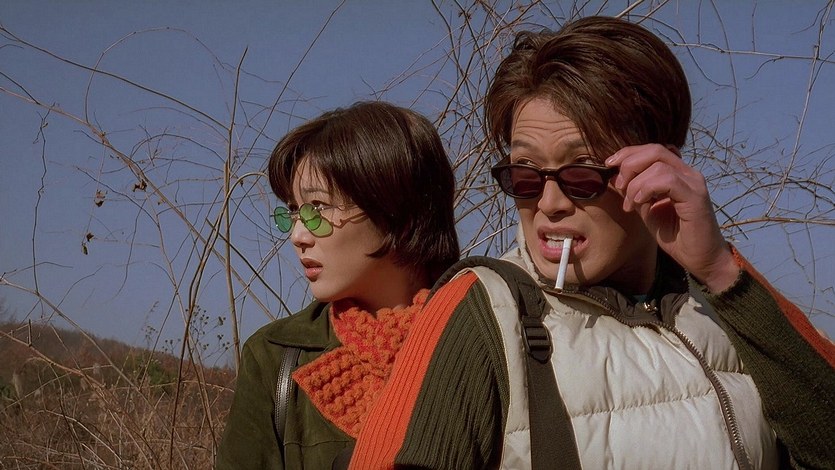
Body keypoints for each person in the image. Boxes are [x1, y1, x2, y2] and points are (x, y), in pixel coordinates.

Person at [350, 16, 835, 469]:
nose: (549, 203)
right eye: (525, 175)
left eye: (582, 174)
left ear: (657, 170)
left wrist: (720, 272)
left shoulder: (723, 305)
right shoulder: (485, 308)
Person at [215, 101, 459, 469]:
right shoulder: (274, 357)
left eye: (318, 209)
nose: (298, 236)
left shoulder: (482, 336)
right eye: (294, 211)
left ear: (398, 212)